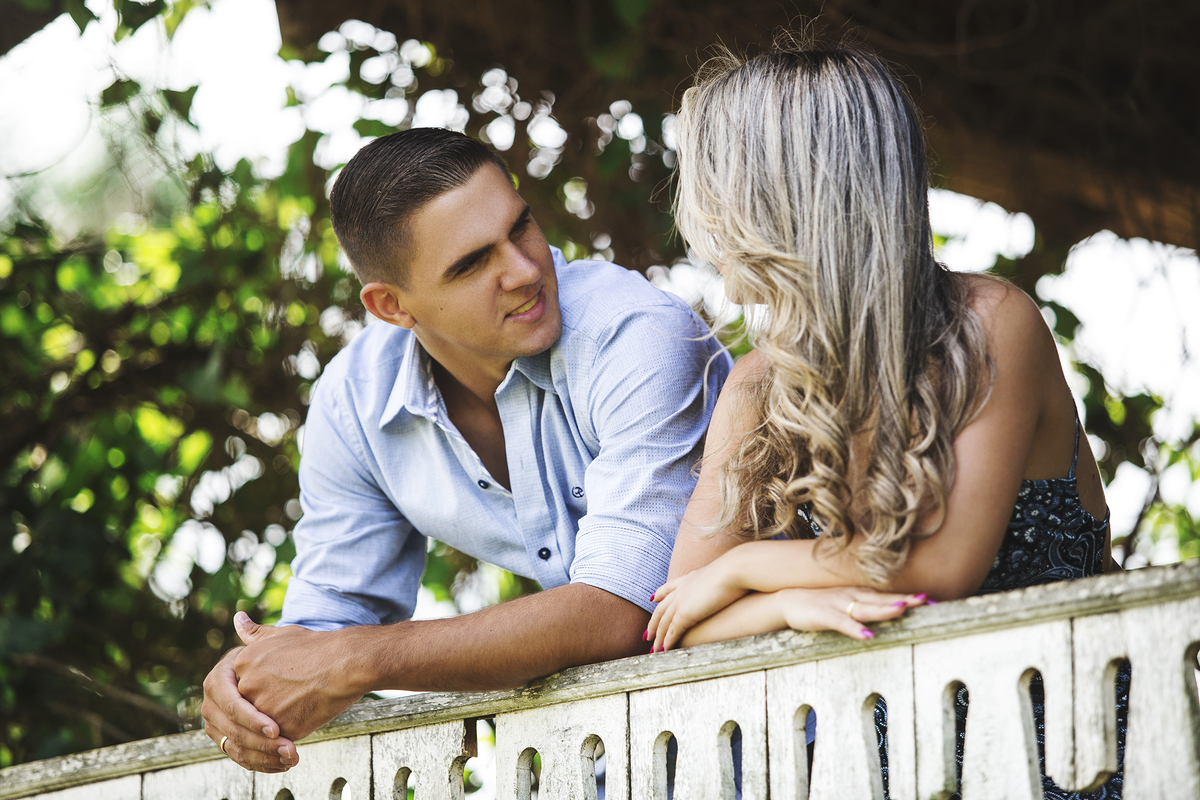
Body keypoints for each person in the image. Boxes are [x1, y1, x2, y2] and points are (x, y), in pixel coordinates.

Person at [644, 40, 1126, 799]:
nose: (698, 213)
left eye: (713, 184)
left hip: (1065, 756)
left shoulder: (992, 326)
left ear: (780, 196)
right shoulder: (760, 384)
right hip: (885, 768)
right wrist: (793, 605)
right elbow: (678, 619)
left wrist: (745, 571)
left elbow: (939, 568)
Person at [201, 127, 733, 773]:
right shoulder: (355, 402)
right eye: (472, 263)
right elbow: (328, 619)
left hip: (799, 686)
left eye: (522, 227)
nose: (525, 270)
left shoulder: (634, 334)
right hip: (623, 749)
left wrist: (354, 659)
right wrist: (248, 686)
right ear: (392, 306)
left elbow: (624, 609)